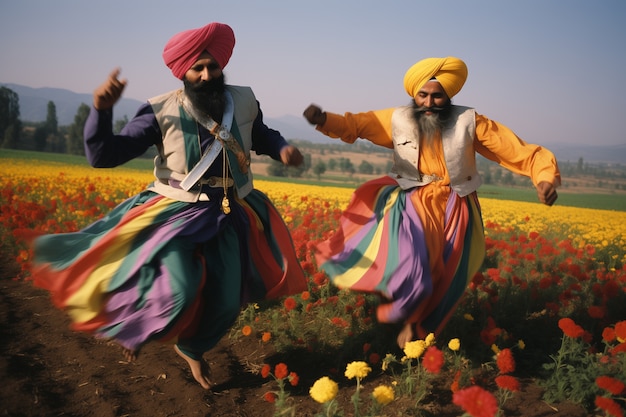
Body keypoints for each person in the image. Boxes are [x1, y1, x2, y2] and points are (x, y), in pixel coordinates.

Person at [32, 22, 307, 390]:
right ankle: (136, 324)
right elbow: (103, 155)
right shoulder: (158, 110)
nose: (208, 74)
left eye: (213, 66)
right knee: (178, 288)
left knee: (226, 303)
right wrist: (100, 110)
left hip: (229, 210)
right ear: (184, 73)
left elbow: (260, 133)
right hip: (175, 212)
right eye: (198, 68)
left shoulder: (243, 100)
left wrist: (281, 148)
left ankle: (192, 349)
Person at [303, 56, 560, 349]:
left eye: (437, 96)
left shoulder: (471, 122)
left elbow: (522, 152)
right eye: (422, 95)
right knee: (412, 262)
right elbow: (360, 124)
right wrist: (324, 120)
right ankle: (406, 318)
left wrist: (545, 179)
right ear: (414, 95)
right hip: (410, 201)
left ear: (449, 96)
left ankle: (417, 328)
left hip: (455, 205)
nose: (428, 102)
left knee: (442, 274)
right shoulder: (398, 118)